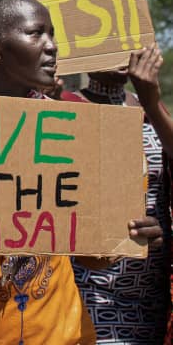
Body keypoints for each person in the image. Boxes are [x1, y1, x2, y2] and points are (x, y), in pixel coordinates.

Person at [0, 0, 162, 344]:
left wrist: (124, 236)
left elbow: (90, 257)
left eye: (52, 35)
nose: (52, 46)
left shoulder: (74, 130)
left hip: (64, 334)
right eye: (35, 33)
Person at [69, 45, 172, 344]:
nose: (122, 52)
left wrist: (152, 101)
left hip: (154, 295)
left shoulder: (149, 108)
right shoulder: (65, 107)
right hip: (92, 291)